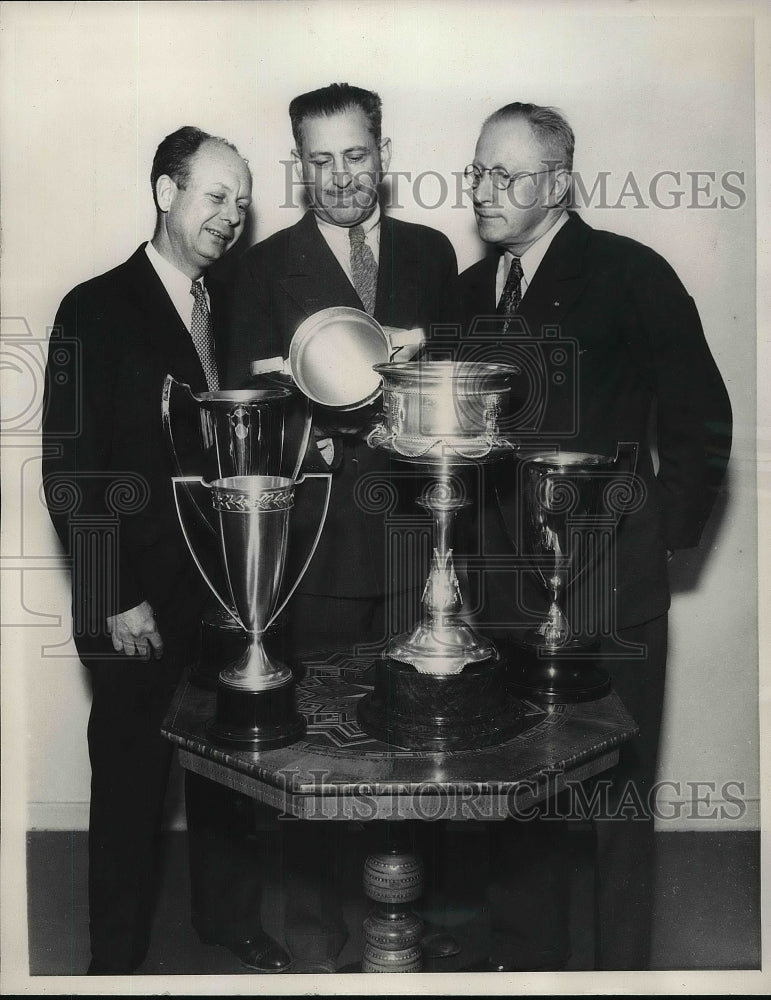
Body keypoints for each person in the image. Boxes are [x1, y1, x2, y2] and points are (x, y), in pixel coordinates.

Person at [455, 102, 732, 970]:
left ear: (560, 182)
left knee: (615, 799)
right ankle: (522, 961)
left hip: (612, 587)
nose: (485, 191)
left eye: (507, 174)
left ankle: (620, 976)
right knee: (515, 788)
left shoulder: (629, 273)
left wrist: (657, 539)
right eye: (478, 173)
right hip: (500, 591)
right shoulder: (467, 294)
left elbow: (700, 420)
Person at [42, 126, 290, 974]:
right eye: (216, 196)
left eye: (243, 201)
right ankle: (110, 965)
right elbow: (69, 469)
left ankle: (230, 924)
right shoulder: (93, 306)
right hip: (136, 606)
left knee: (228, 780)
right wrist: (113, 593)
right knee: (128, 792)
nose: (232, 215)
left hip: (225, 598)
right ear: (164, 193)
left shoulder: (229, 308)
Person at [224, 82, 460, 653]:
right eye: (321, 160)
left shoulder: (435, 253)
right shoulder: (260, 267)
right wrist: (316, 436)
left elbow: (458, 389)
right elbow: (242, 407)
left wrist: (423, 361)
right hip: (317, 546)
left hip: (419, 538)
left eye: (355, 155)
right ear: (300, 166)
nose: (340, 176)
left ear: (384, 154)